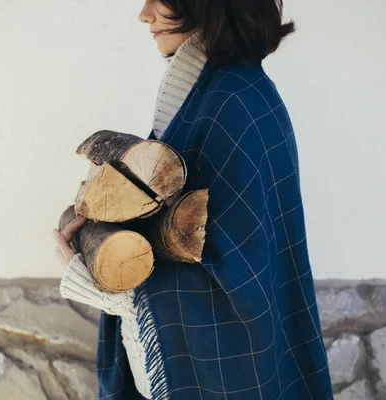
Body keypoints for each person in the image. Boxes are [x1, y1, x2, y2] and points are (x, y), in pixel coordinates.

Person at [52, 0, 334, 399]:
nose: (144, 14)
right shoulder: (215, 94)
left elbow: (237, 287)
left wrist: (93, 278)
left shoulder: (231, 104)